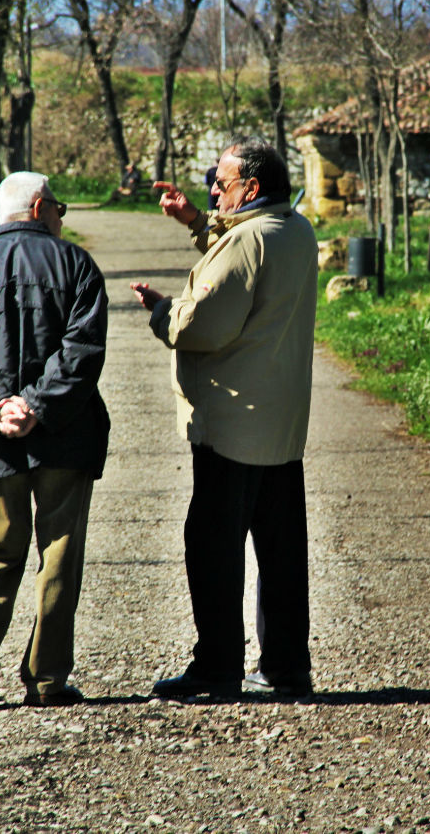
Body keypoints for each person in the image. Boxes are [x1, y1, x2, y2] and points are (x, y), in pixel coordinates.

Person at [130, 137, 318, 699]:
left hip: (232, 423)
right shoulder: (296, 230)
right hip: (280, 426)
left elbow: (201, 327)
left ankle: (216, 668)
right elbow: (241, 247)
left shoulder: (249, 240)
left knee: (211, 545)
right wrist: (195, 221)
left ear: (251, 189)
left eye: (222, 181)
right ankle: (285, 667)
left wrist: (165, 312)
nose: (213, 188)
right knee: (281, 552)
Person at [0, 171, 110, 707]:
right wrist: (38, 404)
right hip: (66, 434)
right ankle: (48, 677)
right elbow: (83, 350)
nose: (61, 215)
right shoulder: (75, 265)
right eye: (58, 206)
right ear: (36, 208)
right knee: (59, 554)